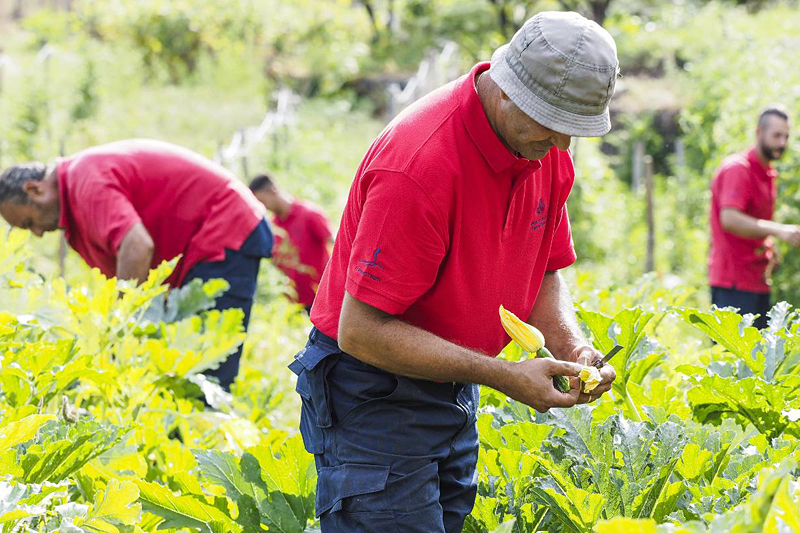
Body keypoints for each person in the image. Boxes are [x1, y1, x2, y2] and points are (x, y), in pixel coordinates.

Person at [288, 12, 619, 533]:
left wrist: (573, 347)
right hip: (373, 390)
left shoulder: (541, 147)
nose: (560, 145)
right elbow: (360, 331)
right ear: (509, 92)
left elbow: (545, 268)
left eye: (572, 130)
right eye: (553, 126)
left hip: (454, 380)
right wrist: (504, 376)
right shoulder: (419, 166)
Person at [0, 138, 272, 390]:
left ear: (34, 189)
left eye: (29, 222)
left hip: (225, 229)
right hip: (203, 243)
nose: (36, 232)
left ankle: (208, 436)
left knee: (204, 373)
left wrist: (122, 328)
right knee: (178, 366)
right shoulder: (75, 199)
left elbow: (137, 246)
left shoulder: (85, 182)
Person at [709, 106, 800, 329]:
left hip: (756, 280)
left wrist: (767, 244)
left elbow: (753, 222)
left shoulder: (767, 173)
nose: (782, 143)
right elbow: (729, 218)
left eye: (786, 136)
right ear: (759, 133)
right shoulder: (738, 169)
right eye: (776, 135)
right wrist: (778, 230)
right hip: (734, 283)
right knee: (735, 359)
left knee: (759, 359)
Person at [250, 174, 333, 313]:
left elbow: (335, 247)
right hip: (295, 304)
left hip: (323, 298)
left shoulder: (309, 214)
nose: (262, 207)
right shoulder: (273, 226)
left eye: (262, 201)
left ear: (273, 191)